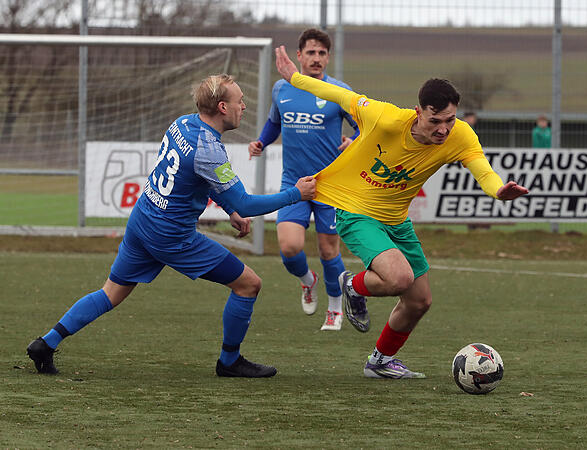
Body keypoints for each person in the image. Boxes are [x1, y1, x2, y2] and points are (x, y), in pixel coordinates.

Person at [26, 74, 316, 377]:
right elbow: (245, 203)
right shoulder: (209, 149)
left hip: (143, 218)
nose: (244, 106)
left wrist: (229, 209)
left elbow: (198, 180)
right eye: (239, 101)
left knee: (110, 292)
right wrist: (295, 194)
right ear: (221, 107)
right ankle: (229, 361)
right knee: (248, 284)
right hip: (171, 236)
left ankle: (46, 343)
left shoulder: (183, 123)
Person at [274, 45, 529, 378]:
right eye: (435, 121)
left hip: (396, 221)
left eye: (450, 120)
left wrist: (497, 189)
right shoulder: (384, 117)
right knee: (399, 278)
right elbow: (336, 93)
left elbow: (481, 167)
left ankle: (379, 362)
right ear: (417, 112)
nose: (443, 129)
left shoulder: (460, 134)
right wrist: (295, 77)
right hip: (357, 212)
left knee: (419, 301)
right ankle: (352, 285)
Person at [248, 28, 358, 331]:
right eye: (311, 52)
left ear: (328, 57)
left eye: (322, 53)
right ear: (299, 56)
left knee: (328, 250)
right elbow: (274, 124)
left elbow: (365, 127)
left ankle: (335, 307)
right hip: (294, 184)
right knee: (289, 247)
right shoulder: (281, 90)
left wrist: (355, 141)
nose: (317, 58)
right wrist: (261, 142)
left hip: (330, 185)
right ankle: (308, 281)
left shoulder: (339, 91)